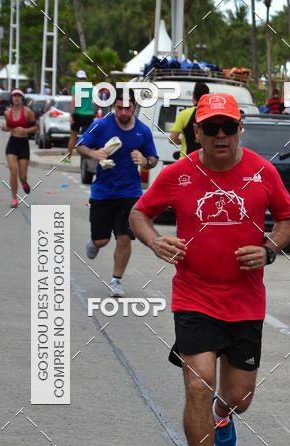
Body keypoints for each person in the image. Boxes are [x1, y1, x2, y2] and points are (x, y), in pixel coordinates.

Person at [130, 92, 290, 446]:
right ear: (197, 133)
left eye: (228, 127)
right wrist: (154, 242)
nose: (220, 136)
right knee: (197, 384)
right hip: (194, 295)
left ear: (240, 128)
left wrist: (269, 248)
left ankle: (225, 415)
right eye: (210, 128)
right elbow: (139, 214)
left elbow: (288, 219)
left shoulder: (262, 172)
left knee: (239, 397)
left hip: (244, 301)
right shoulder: (178, 173)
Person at [76, 85, 158, 298]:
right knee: (102, 240)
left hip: (130, 193)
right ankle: (95, 242)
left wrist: (145, 161)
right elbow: (80, 145)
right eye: (119, 108)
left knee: (124, 237)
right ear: (113, 106)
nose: (123, 112)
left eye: (127, 108)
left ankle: (116, 280)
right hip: (103, 192)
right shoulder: (100, 125)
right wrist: (94, 154)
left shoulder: (143, 131)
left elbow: (153, 159)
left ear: (134, 107)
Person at [1, 88, 37, 208]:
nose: (16, 98)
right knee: (13, 170)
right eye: (14, 96)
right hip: (12, 143)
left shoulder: (28, 112)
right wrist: (5, 129)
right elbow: (8, 127)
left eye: (19, 96)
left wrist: (25, 130)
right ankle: (14, 199)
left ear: (22, 98)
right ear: (11, 98)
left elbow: (35, 127)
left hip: (23, 144)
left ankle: (24, 183)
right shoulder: (7, 113)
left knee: (22, 176)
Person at [169, 80, 210, 158]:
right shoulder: (211, 114)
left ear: (193, 96)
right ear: (207, 97)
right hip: (206, 162)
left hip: (185, 161)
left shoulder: (184, 114)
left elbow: (172, 139)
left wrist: (181, 142)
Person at [67, 69, 98, 162]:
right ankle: (89, 157)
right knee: (90, 136)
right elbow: (97, 102)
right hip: (88, 115)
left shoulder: (75, 87)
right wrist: (94, 112)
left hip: (77, 114)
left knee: (73, 136)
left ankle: (68, 158)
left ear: (77, 78)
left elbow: (73, 101)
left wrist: (71, 115)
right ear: (85, 78)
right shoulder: (92, 87)